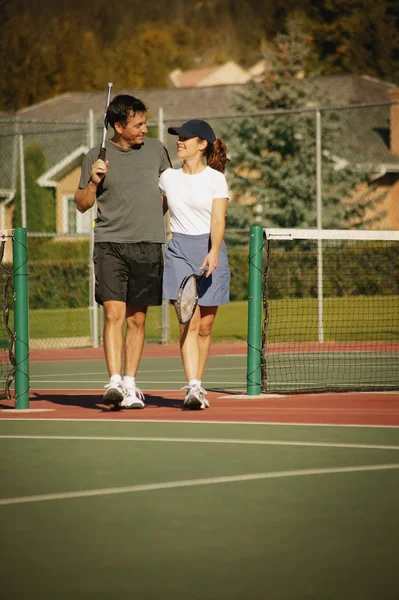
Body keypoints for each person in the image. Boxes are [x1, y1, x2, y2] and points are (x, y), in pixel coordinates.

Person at [74, 94, 171, 410]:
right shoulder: (95, 156)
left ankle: (130, 385)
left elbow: (170, 191)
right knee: (113, 313)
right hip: (110, 245)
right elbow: (82, 203)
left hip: (148, 245)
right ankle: (114, 382)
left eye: (145, 122)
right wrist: (93, 181)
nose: (144, 129)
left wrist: (154, 218)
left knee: (137, 319)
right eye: (138, 124)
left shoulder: (157, 150)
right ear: (118, 126)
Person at [159, 119, 230, 410]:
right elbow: (155, 213)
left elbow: (218, 219)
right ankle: (194, 387)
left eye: (186, 137)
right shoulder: (167, 177)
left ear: (202, 145)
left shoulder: (216, 179)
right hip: (178, 250)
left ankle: (197, 384)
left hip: (210, 250)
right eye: (178, 136)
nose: (180, 141)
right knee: (187, 319)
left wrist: (213, 252)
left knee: (205, 326)